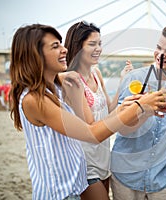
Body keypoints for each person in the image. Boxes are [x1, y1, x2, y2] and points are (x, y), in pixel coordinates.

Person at [9, 23, 166, 200]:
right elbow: (92, 132)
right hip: (59, 191)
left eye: (61, 44)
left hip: (75, 183)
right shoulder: (36, 100)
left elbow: (105, 114)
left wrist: (127, 106)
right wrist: (140, 107)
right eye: (55, 46)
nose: (64, 50)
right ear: (34, 55)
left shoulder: (55, 87)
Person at [110, 25, 166, 199]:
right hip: (126, 175)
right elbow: (121, 127)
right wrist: (143, 109)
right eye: (159, 48)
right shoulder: (134, 79)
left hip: (161, 180)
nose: (161, 54)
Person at [64, 21, 132, 200]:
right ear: (78, 47)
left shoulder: (96, 73)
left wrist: (123, 81)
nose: (98, 48)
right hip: (85, 163)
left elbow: (109, 110)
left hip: (103, 158)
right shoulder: (72, 81)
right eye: (92, 44)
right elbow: (91, 125)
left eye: (100, 43)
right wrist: (129, 112)